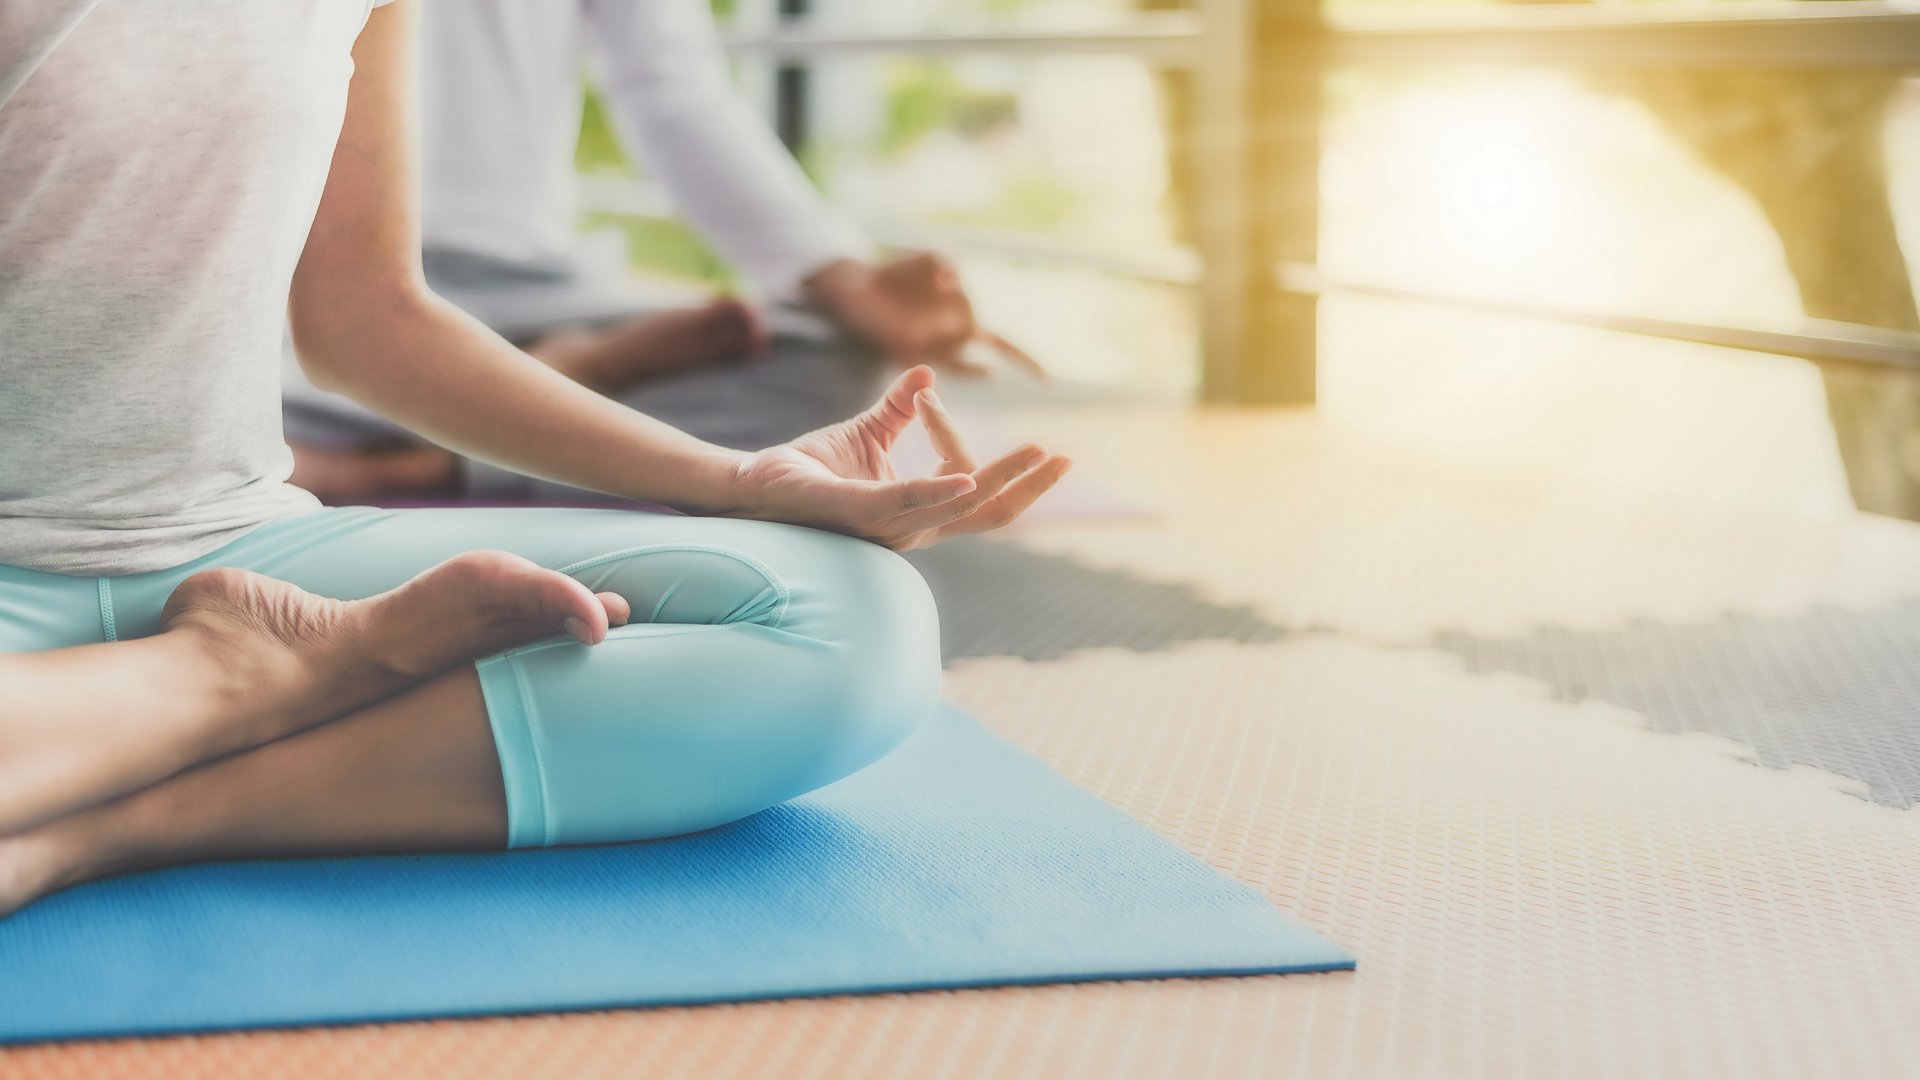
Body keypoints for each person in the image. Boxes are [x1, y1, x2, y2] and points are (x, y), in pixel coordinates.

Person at [0, 0, 1069, 916]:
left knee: (858, 623)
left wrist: (734, 480)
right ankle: (223, 681)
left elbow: (371, 321)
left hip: (240, 554)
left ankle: (115, 820)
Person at [284, 0, 1039, 503]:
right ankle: (550, 398)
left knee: (835, 362)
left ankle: (423, 460)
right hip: (296, 286)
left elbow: (670, 83)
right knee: (194, 412)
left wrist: (847, 281)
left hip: (533, 284)